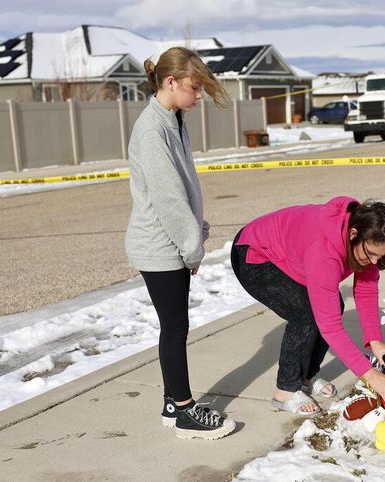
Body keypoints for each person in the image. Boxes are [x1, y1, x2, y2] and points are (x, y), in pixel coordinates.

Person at [230, 196, 385, 416]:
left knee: (331, 304)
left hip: (290, 252)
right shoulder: (324, 253)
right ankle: (286, 390)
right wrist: (372, 376)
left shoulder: (366, 234)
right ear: (354, 235)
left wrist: (375, 342)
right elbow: (330, 326)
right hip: (254, 253)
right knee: (305, 313)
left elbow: (365, 292)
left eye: (381, 255)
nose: (375, 262)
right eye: (371, 254)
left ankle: (307, 375)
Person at [125, 47, 236, 440]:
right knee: (174, 327)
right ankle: (185, 413)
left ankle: (173, 403)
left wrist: (194, 234)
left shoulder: (173, 118)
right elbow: (169, 198)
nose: (199, 95)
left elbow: (185, 185)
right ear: (171, 83)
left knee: (175, 326)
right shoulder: (152, 130)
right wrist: (192, 247)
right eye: (194, 87)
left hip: (172, 241)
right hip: (160, 244)